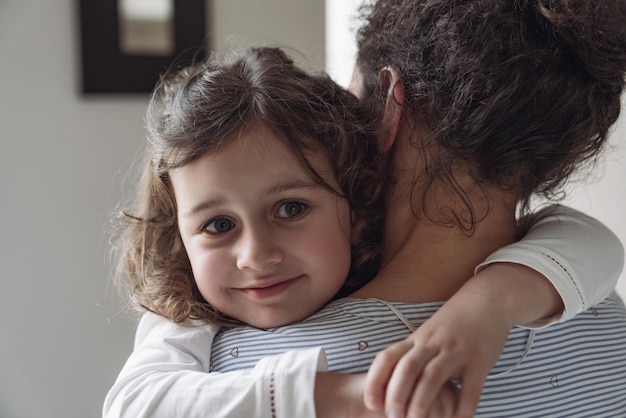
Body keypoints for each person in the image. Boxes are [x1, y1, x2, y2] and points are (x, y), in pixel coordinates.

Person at [103, 0, 626, 416]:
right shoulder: (599, 311)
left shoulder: (236, 373)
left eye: (290, 208)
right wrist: (495, 299)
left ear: (389, 106)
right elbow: (588, 238)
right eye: (218, 225)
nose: (256, 255)